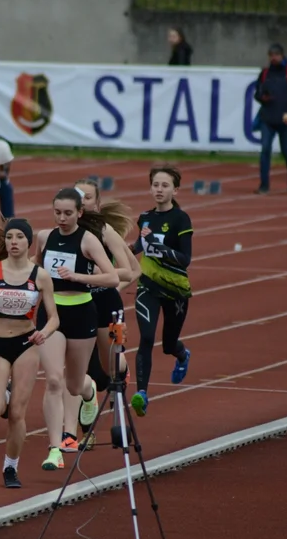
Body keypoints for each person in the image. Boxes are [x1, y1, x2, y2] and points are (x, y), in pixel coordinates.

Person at [0, 216, 60, 488]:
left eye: (19, 237)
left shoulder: (39, 275)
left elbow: (54, 317)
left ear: (28, 242)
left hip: (26, 346)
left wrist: (45, 331)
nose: (14, 242)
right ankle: (5, 392)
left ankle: (10, 467)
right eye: (10, 237)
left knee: (17, 415)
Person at [33, 188, 120, 471]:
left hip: (82, 311)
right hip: (51, 313)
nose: (62, 218)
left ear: (80, 213)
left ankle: (89, 390)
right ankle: (55, 449)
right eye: (57, 212)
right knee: (54, 380)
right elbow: (36, 269)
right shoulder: (45, 237)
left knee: (72, 383)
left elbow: (111, 277)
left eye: (68, 213)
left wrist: (78, 276)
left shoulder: (88, 240)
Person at [70, 177, 139, 449]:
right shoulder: (65, 230)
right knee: (79, 373)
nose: (83, 201)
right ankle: (83, 433)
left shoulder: (105, 230)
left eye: (87, 197)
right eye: (78, 196)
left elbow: (132, 270)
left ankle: (122, 368)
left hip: (106, 305)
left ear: (96, 203)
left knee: (109, 367)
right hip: (77, 306)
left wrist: (107, 281)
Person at [129, 167, 194, 418]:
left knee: (168, 344)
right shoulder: (145, 217)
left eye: (165, 185)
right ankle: (142, 394)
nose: (159, 189)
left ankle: (182, 354)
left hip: (175, 289)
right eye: (155, 184)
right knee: (146, 338)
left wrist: (157, 245)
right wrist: (122, 251)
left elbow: (185, 259)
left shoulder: (181, 219)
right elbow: (139, 244)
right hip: (148, 286)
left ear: (175, 190)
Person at [252, 43, 287, 194]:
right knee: (265, 149)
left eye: (276, 55)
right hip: (268, 118)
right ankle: (264, 185)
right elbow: (257, 94)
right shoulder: (265, 73)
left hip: (285, 118)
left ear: (282, 55)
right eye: (271, 55)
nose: (273, 58)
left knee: (286, 150)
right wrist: (263, 97)